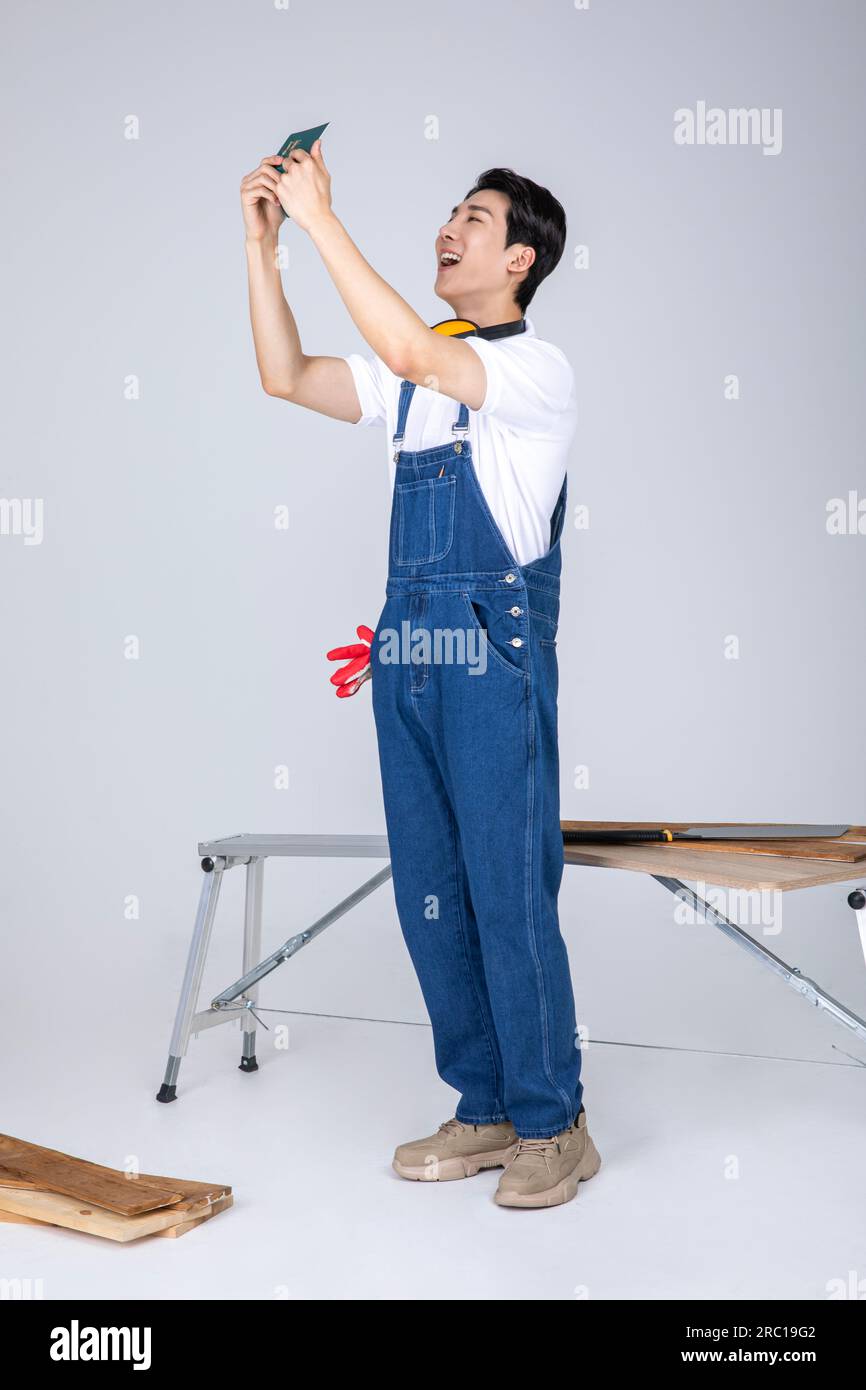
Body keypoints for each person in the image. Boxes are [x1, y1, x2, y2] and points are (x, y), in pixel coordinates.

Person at [241, 140, 601, 1209]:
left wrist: (319, 220)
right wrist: (262, 248)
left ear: (521, 260)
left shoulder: (531, 373)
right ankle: (484, 1106)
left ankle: (554, 1121)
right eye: (447, 213)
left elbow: (405, 350)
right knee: (433, 894)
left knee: (505, 887)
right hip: (406, 651)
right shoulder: (419, 378)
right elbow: (284, 374)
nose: (448, 228)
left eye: (473, 220)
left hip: (489, 655)